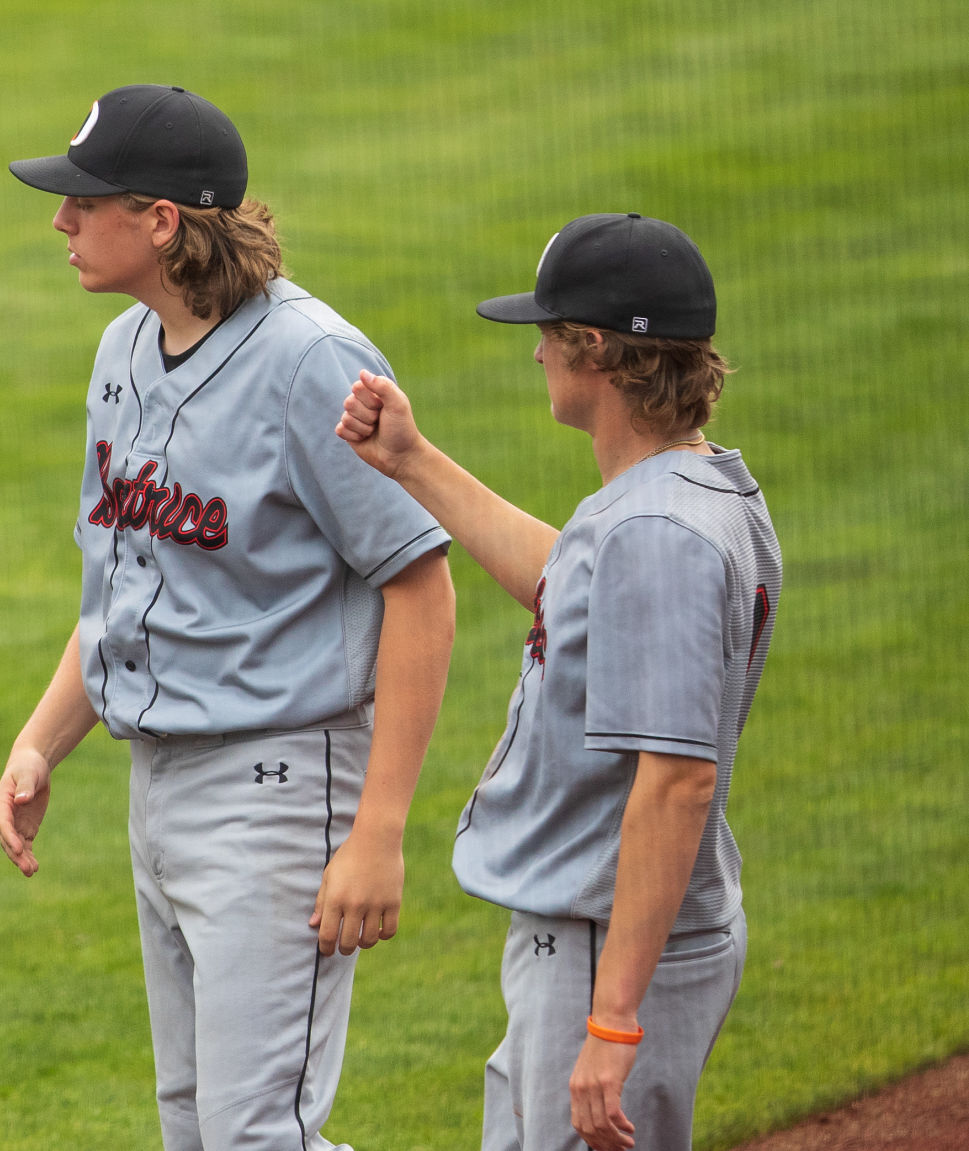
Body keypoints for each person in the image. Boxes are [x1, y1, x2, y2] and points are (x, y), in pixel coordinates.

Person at [0, 84, 456, 1151]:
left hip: (278, 785)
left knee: (257, 1134)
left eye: (83, 201)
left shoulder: (310, 360)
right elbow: (122, 582)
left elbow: (417, 582)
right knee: (197, 1127)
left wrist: (377, 831)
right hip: (157, 785)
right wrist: (40, 739)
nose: (60, 220)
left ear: (160, 220)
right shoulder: (123, 350)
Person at [335, 212, 781, 1151]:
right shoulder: (686, 491)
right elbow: (572, 586)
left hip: (602, 939)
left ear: (592, 350)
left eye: (546, 334)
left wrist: (612, 1019)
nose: (534, 353)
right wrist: (412, 462)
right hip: (600, 931)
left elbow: (677, 781)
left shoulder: (657, 535)